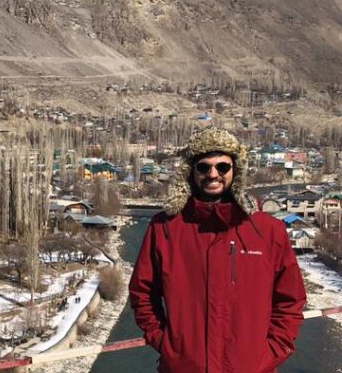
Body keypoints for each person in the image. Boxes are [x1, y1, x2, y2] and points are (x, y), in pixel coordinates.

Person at [129, 126, 306, 372]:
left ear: (236, 171)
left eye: (223, 167)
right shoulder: (165, 227)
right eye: (204, 167)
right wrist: (167, 344)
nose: (213, 174)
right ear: (191, 171)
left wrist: (271, 352)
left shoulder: (267, 230)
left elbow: (290, 299)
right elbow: (142, 293)